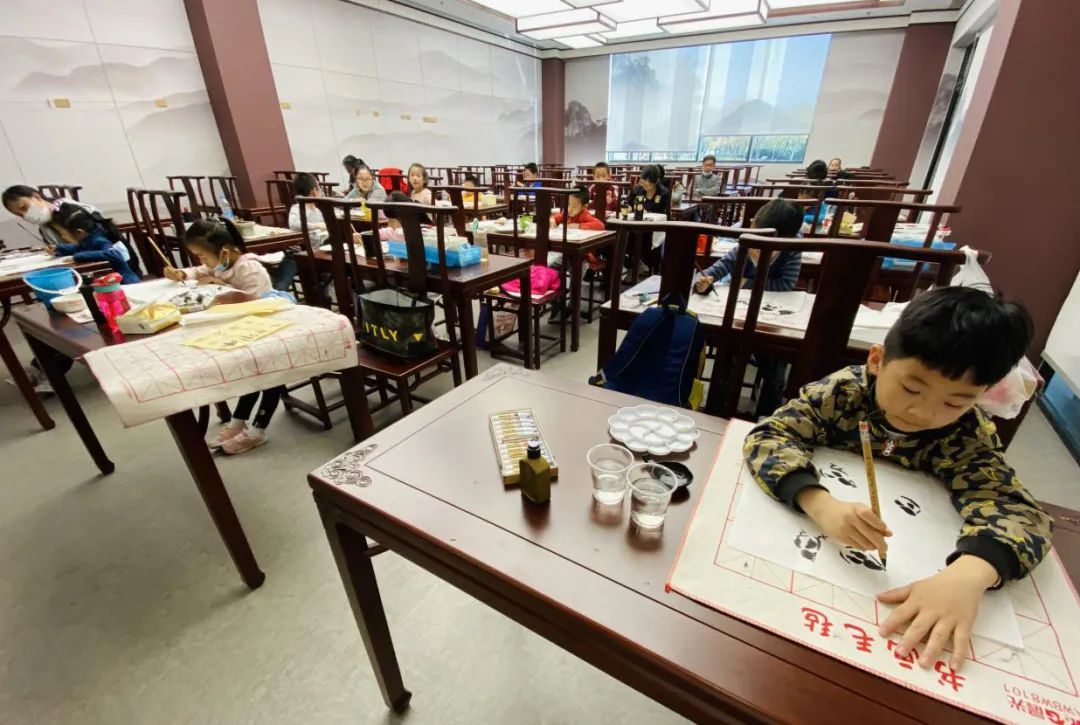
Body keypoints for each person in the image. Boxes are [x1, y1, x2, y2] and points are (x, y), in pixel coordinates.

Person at [744, 286, 1050, 671]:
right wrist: (818, 502)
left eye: (954, 402)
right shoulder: (844, 394)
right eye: (911, 388)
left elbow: (1019, 511)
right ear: (877, 359)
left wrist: (971, 574)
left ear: (981, 396)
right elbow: (770, 434)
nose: (923, 412)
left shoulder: (966, 435)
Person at [165, 219, 292, 454]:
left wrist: (221, 286)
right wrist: (182, 273)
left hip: (267, 330)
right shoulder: (222, 265)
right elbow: (202, 271)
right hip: (244, 332)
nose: (202, 262)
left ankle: (258, 431)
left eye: (202, 256)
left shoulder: (249, 267)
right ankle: (237, 422)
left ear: (224, 251)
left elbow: (255, 303)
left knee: (270, 381)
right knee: (252, 378)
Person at [694, 198, 802, 294]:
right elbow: (721, 266)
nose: (758, 247)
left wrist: (746, 283)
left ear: (787, 240)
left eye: (767, 243)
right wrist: (704, 281)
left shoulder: (792, 250)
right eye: (757, 237)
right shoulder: (748, 243)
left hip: (771, 301)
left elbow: (786, 284)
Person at [48, 204, 140, 284]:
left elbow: (115, 254)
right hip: (112, 281)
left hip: (125, 282)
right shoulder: (89, 239)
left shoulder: (99, 240)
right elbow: (78, 248)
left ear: (80, 232)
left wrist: (77, 256)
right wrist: (58, 248)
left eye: (72, 235)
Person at [3, 185, 97, 247]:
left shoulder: (74, 211)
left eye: (24, 207)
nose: (25, 215)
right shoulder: (44, 226)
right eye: (19, 215)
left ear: (36, 197)